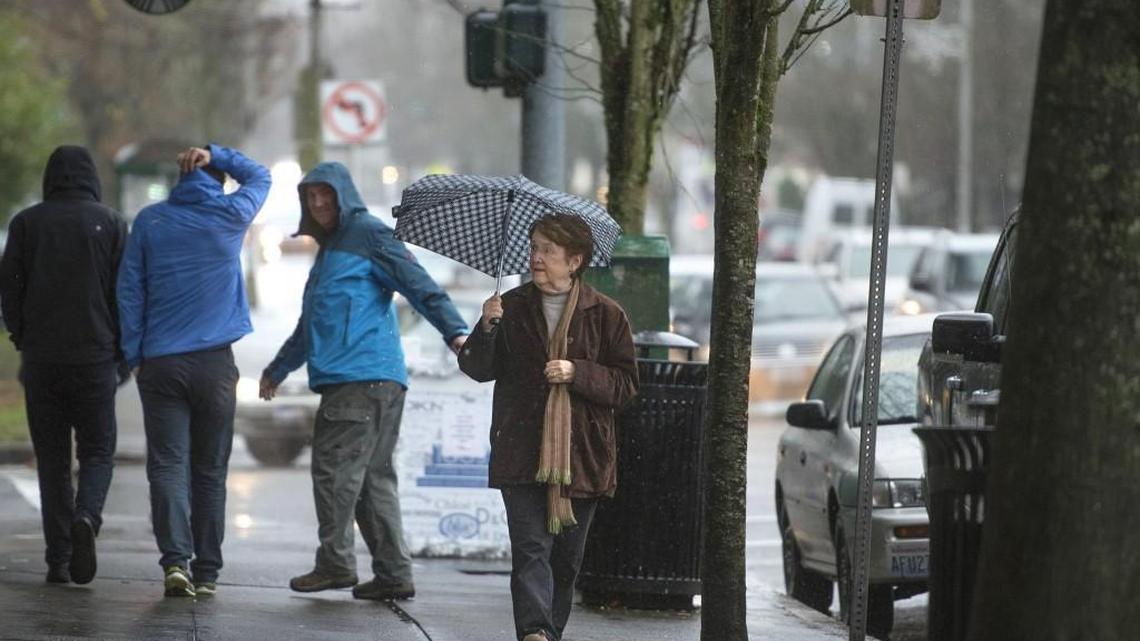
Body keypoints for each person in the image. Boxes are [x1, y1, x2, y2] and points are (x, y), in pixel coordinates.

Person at [259, 162, 469, 601]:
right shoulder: (330, 249)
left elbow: (418, 284)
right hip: (371, 379)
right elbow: (312, 324)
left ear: (344, 195)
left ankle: (335, 563)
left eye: (326, 194)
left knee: (334, 471)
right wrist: (278, 368)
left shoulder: (368, 234)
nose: (319, 203)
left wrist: (454, 331)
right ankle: (393, 573)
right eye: (311, 196)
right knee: (372, 480)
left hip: (360, 377)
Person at [458, 213, 638, 641]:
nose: (536, 258)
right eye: (534, 248)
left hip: (582, 456)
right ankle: (535, 632)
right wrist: (486, 328)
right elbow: (478, 368)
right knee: (530, 549)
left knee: (565, 561)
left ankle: (549, 631)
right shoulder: (511, 307)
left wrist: (578, 372)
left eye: (547, 250)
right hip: (521, 447)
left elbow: (626, 385)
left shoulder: (606, 314)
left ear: (574, 261)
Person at [117, 144, 270, 597]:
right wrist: (216, 154)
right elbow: (260, 176)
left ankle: (175, 563)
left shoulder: (151, 221)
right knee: (209, 470)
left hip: (161, 363)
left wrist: (135, 355)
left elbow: (129, 291)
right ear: (216, 178)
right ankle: (207, 572)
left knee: (167, 465)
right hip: (214, 365)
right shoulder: (230, 215)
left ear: (178, 178)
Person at [0, 145, 128, 586]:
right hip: (95, 358)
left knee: (52, 460)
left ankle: (58, 558)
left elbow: (9, 289)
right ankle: (87, 517)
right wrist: (121, 353)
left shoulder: (26, 224)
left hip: (42, 361)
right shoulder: (111, 223)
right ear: (91, 177)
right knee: (97, 452)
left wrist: (22, 336)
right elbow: (123, 294)